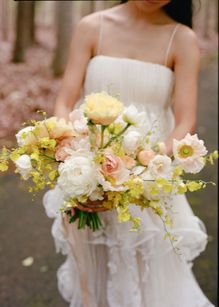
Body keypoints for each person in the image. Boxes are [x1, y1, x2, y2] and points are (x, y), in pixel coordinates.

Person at [43, 1, 214, 306]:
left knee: (149, 267)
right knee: (95, 264)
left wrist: (139, 168)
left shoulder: (182, 38)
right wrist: (76, 157)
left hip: (150, 177)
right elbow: (64, 102)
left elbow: (186, 120)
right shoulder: (92, 26)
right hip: (88, 167)